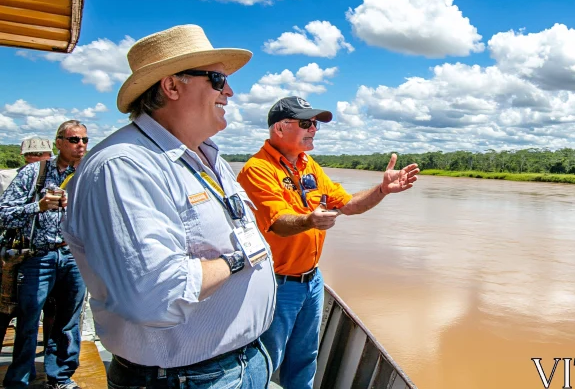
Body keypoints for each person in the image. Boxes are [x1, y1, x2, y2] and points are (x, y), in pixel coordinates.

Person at [61, 24, 277, 389]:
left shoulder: (207, 157)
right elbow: (155, 295)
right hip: (183, 378)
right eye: (217, 78)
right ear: (172, 86)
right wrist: (238, 259)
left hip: (240, 362)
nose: (230, 90)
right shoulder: (124, 166)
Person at [237, 96, 420, 389]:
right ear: (280, 129)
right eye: (306, 123)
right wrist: (309, 220)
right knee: (266, 361)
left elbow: (349, 205)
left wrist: (382, 190)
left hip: (311, 282)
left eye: (316, 124)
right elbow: (278, 223)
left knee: (305, 359)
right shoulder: (258, 170)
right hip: (276, 283)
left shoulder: (309, 166)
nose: (314, 129)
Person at [0, 121, 88, 389]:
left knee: (67, 322)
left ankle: (60, 377)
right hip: (38, 257)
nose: (81, 145)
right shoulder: (33, 173)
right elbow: (3, 213)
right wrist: (37, 207)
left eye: (85, 139)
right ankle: (19, 381)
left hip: (74, 256)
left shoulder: (88, 175)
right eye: (74, 140)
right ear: (58, 142)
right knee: (28, 322)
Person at [0, 136, 57, 363]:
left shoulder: (60, 177)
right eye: (31, 156)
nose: (35, 160)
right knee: (7, 310)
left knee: (50, 308)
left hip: (46, 254)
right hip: (14, 255)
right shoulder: (9, 179)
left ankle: (48, 360)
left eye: (40, 156)